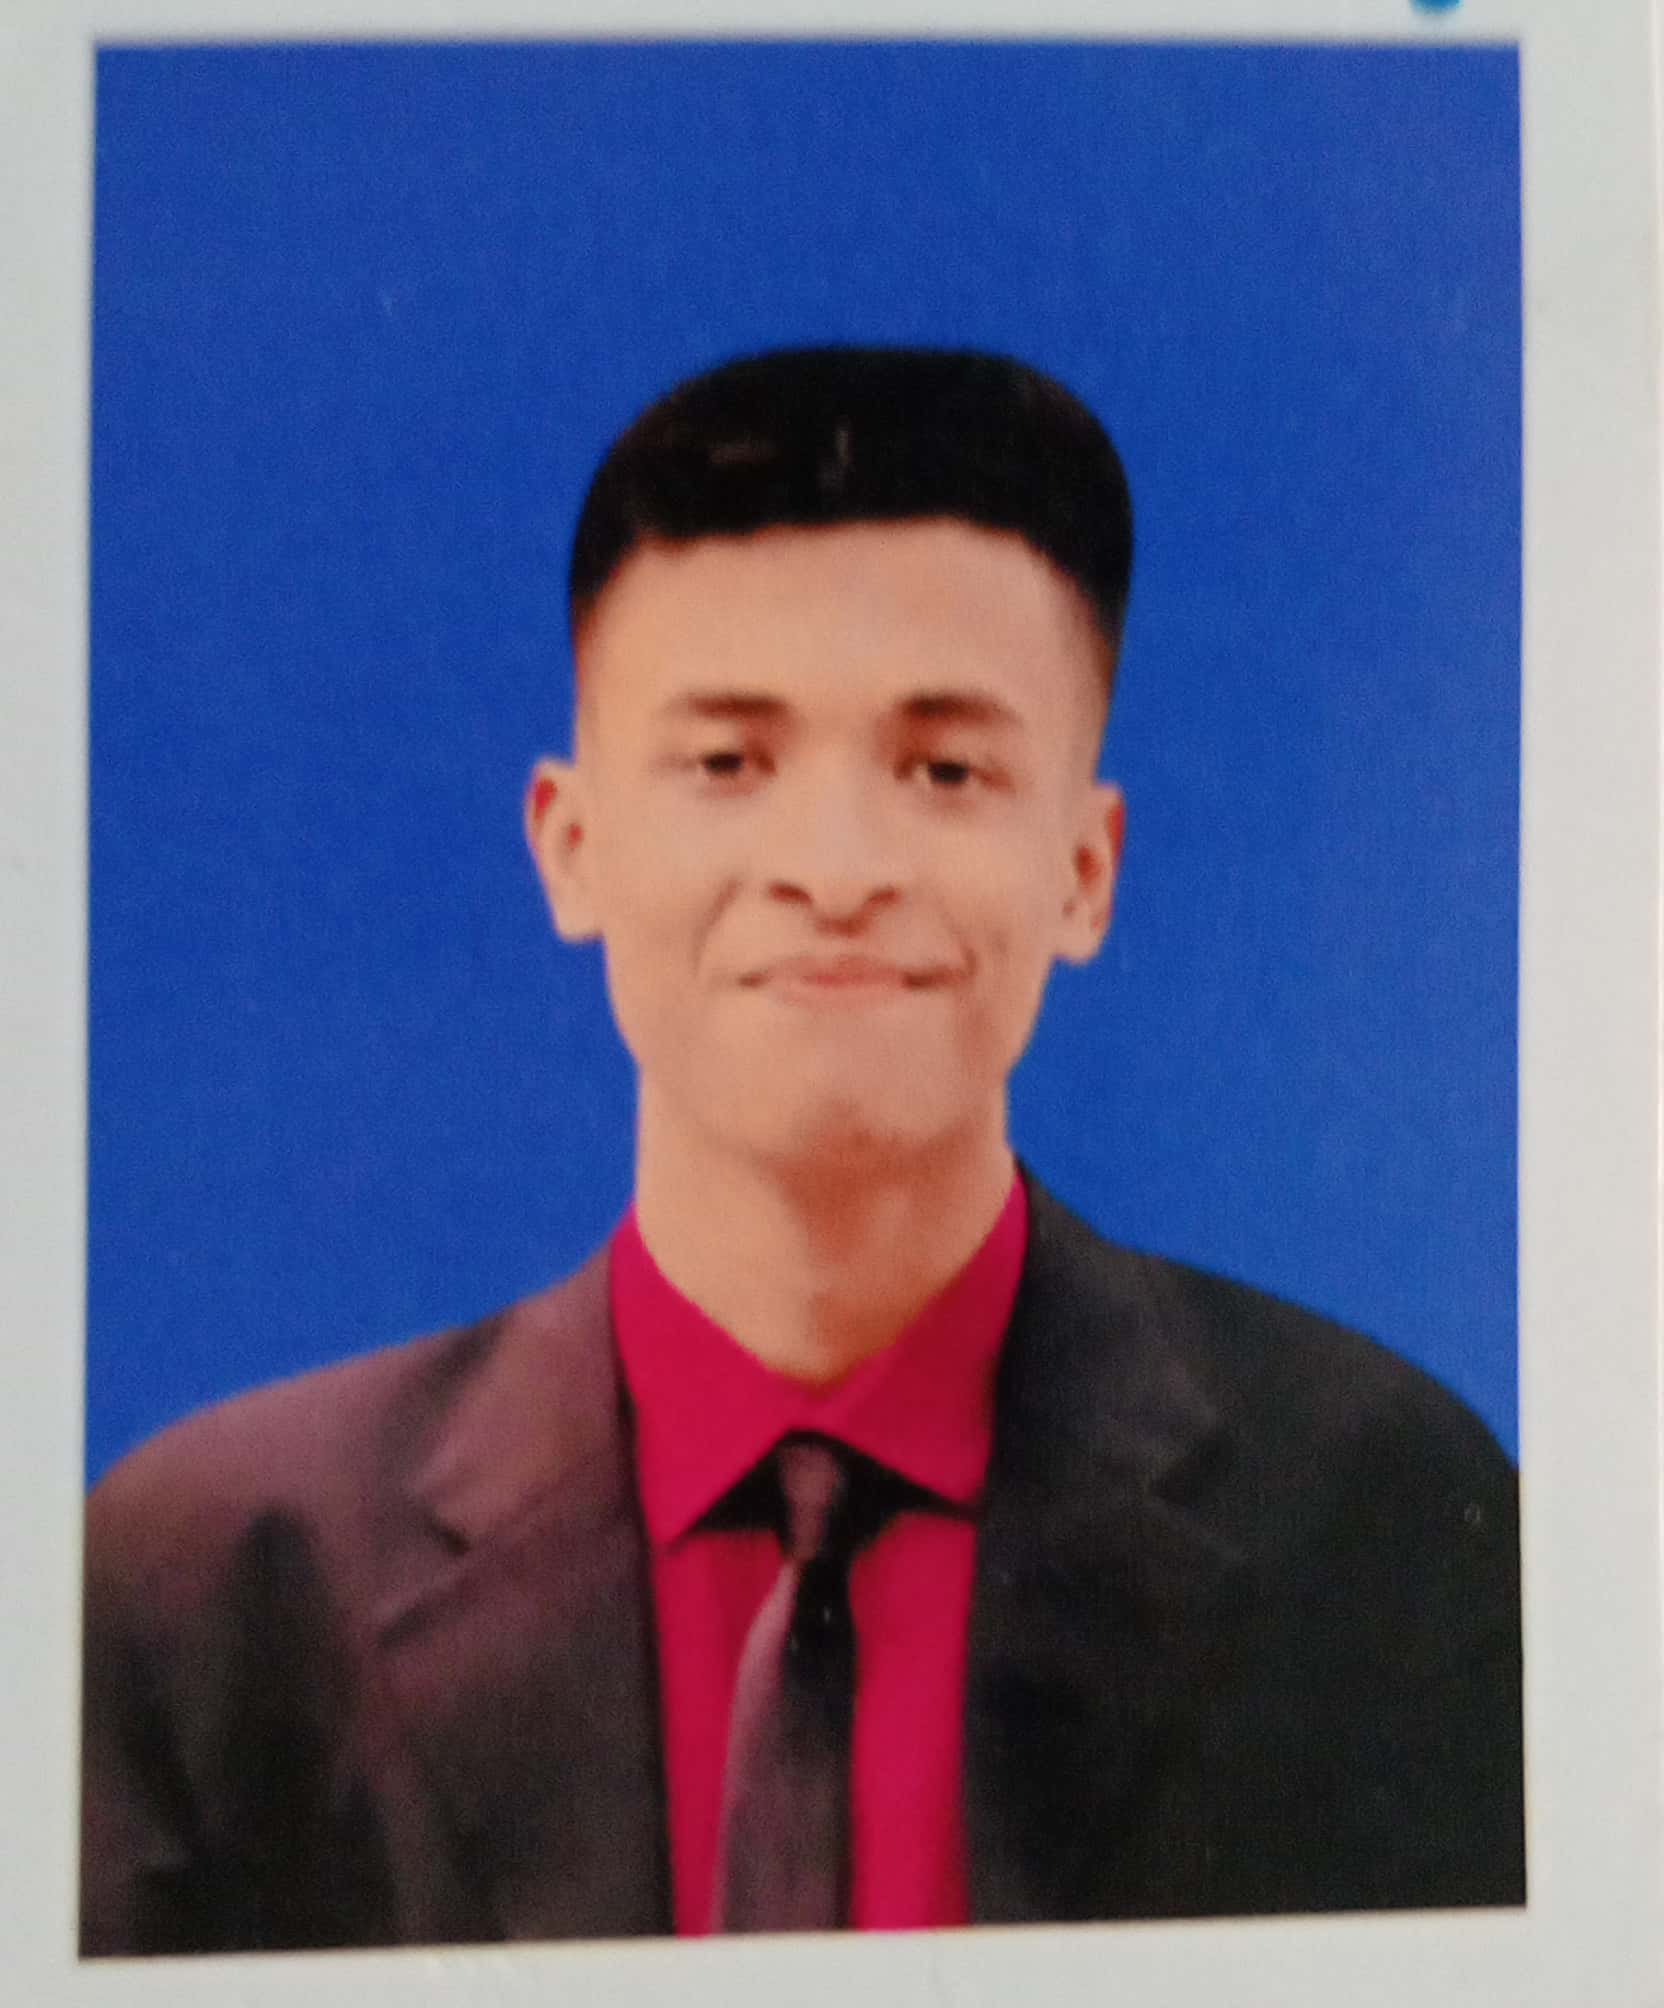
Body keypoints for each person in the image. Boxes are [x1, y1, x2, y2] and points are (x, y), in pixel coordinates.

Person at [80, 347, 1524, 1956]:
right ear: (571, 845)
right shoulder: (205, 1593)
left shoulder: (1384, 1528)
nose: (835, 871)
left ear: (1085, 870)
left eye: (945, 771)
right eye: (727, 764)